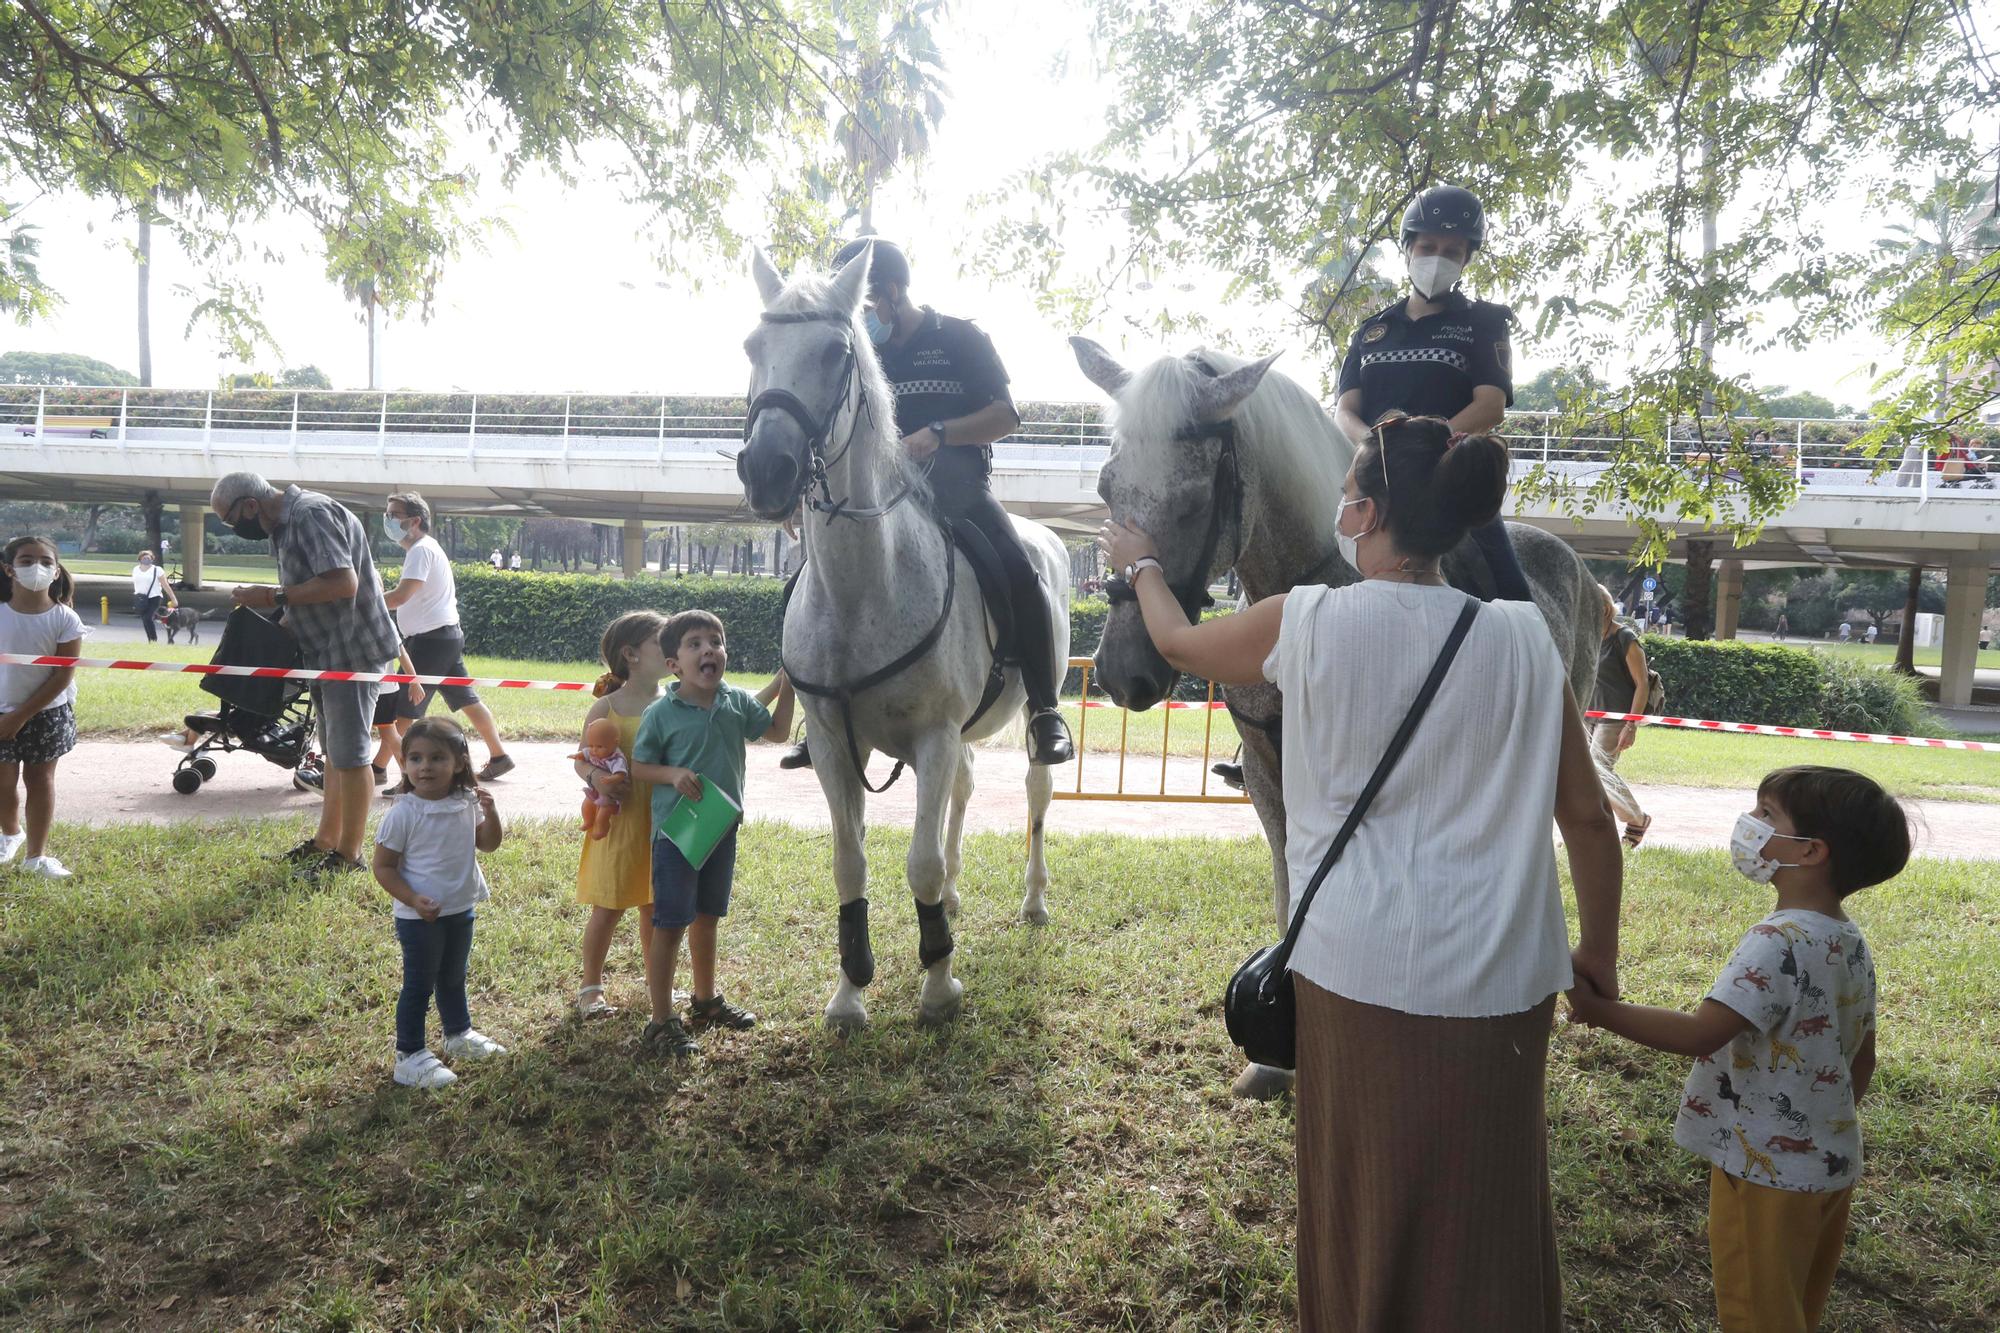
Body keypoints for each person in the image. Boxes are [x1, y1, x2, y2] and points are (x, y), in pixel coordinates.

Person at [1099, 415, 1623, 1329]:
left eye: (1347, 495)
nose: (1339, 509)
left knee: (1359, 1198)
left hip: (1355, 971)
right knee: (1491, 1203)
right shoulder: (1525, 638)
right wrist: (1600, 953)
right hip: (1507, 978)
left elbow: (1179, 644)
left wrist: (1140, 564)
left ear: (1368, 514)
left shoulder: (1308, 618)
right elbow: (1585, 817)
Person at [1569, 767, 1910, 1333]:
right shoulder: (1849, 941)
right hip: (1828, 1166)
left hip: (1765, 1171)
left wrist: (1600, 1012)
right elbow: (1862, 1059)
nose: (1749, 824)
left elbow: (1702, 1032)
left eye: (1767, 815)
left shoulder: (1776, 941)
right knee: (1793, 1306)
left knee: (1755, 1312)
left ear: (1810, 851)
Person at [781, 237, 1074, 770]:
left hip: (957, 491)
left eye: (867, 307)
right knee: (807, 583)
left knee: (1017, 569)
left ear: (892, 291)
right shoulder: (857, 348)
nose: (862, 318)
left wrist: (939, 432)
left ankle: (1045, 711)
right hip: (879, 500)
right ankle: (818, 714)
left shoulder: (961, 338)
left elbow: (1006, 416)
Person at [1333, 185, 1533, 603]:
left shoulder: (1484, 322)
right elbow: (1345, 410)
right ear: (1407, 250)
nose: (1437, 258)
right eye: (1427, 246)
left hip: (1450, 480)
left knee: (1512, 596)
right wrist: (1377, 447)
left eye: (1452, 251)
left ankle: (1545, 660)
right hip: (1371, 481)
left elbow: (1490, 405)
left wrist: (1419, 446)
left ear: (1466, 259)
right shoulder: (1372, 330)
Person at [211, 472, 400, 879]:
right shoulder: (282, 525)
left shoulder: (311, 514)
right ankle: (325, 842)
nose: (233, 528)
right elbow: (309, 588)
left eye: (229, 519)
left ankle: (349, 856)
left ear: (249, 505)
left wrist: (270, 596)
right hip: (325, 650)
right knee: (337, 755)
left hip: (352, 649)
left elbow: (342, 583)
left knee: (351, 756)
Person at [628, 610, 795, 1056]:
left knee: (707, 917)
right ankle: (661, 1020)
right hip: (678, 835)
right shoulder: (662, 712)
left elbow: (777, 731)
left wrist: (789, 684)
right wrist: (673, 774)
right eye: (695, 643)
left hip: (720, 829)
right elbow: (638, 765)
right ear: (674, 664)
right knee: (670, 923)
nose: (709, 650)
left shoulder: (736, 701)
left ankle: (705, 1000)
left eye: (716, 641)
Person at [371, 716, 509, 1090]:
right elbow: (383, 867)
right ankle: (410, 1054)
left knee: (453, 974)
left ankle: (457, 1033)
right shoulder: (405, 812)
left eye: (436, 758)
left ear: (460, 763)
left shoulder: (466, 802)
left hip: (460, 907)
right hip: (420, 918)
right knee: (419, 982)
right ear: (404, 763)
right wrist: (413, 899)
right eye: (415, 758)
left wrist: (492, 813)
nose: (425, 766)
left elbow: (489, 844)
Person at [571, 610, 671, 1019]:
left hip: (662, 820)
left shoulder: (674, 702)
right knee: (608, 907)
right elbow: (580, 760)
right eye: (663, 643)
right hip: (618, 823)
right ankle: (590, 986)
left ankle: (657, 984)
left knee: (654, 905)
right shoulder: (606, 708)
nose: (672, 651)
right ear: (631, 654)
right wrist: (597, 775)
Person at [383, 492, 515, 780]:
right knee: (467, 700)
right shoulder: (425, 548)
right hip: (444, 637)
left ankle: (380, 769)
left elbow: (401, 596)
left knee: (401, 711)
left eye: (393, 515)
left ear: (414, 520)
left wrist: (366, 604)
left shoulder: (420, 550)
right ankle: (499, 755)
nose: (388, 520)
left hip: (430, 640)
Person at [0, 535, 84, 879]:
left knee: (40, 780)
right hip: (1, 712)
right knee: (2, 783)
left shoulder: (66, 619)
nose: (38, 567)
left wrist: (20, 716)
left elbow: (61, 678)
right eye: (26, 560)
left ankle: (36, 857)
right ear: (9, 569)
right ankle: (10, 834)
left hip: (46, 714)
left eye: (46, 561)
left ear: (56, 570)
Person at [1595, 586, 1652, 847]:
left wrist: (1631, 724)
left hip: (1615, 718)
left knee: (1597, 768)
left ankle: (1637, 819)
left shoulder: (1625, 637)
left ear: (1605, 610)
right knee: (1588, 772)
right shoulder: (1591, 637)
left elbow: (1642, 684)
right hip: (1589, 714)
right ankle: (1592, 828)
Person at [131, 549, 177, 643]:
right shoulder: (136, 569)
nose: (146, 559)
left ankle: (153, 640)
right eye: (144, 558)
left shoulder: (157, 570)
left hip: (154, 597)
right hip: (141, 598)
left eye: (149, 558)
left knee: (148, 617)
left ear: (152, 559)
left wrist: (173, 599)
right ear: (139, 559)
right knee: (144, 619)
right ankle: (150, 640)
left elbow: (165, 585)